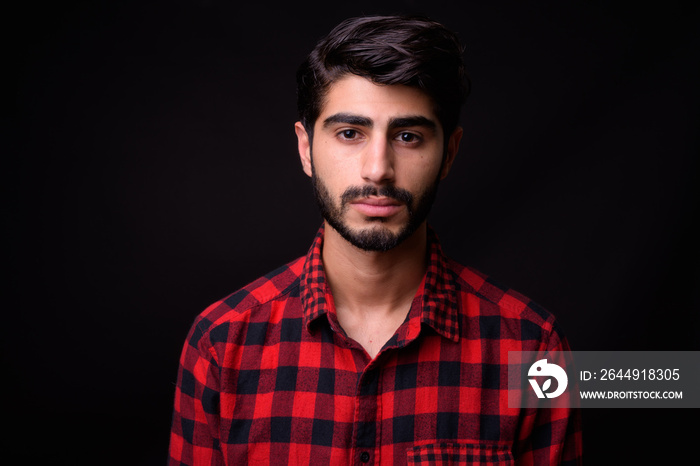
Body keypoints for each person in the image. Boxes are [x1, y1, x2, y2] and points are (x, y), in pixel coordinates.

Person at [168, 15, 582, 465]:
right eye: (350, 134)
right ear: (306, 149)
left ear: (449, 153)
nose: (378, 168)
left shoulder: (532, 348)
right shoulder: (222, 343)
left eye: (408, 136)